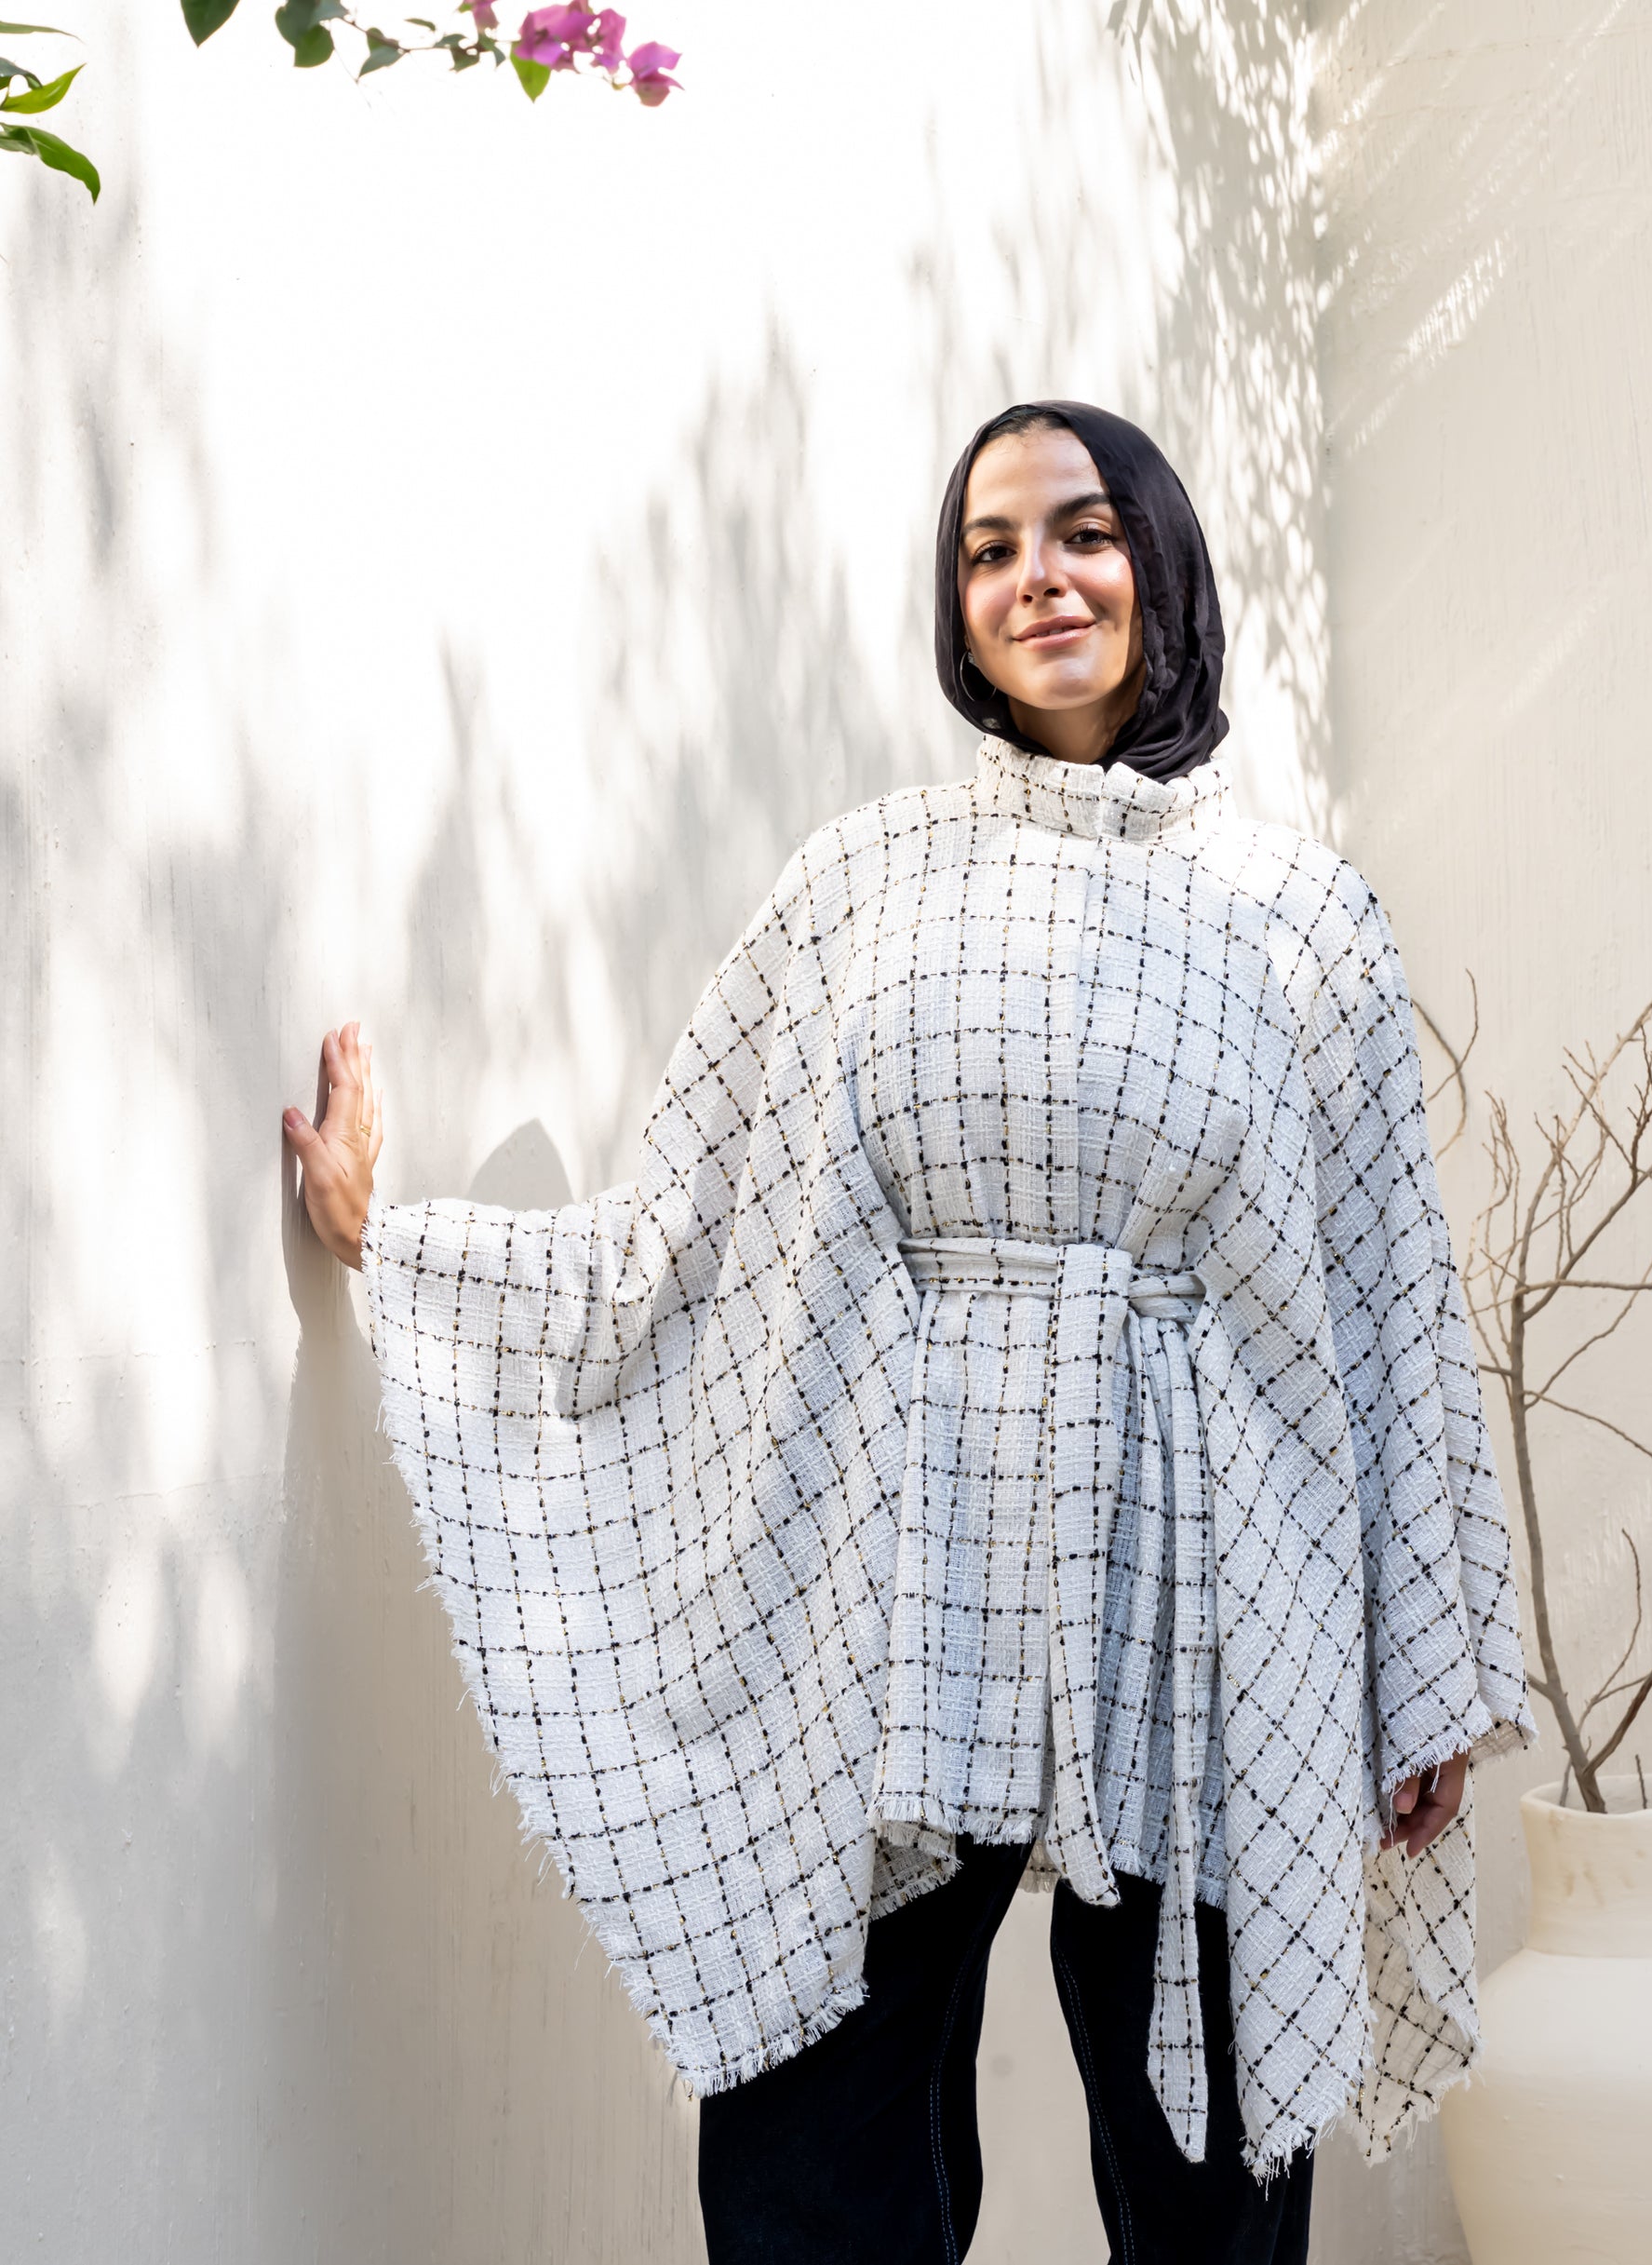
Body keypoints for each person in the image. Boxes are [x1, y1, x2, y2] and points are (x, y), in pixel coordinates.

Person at [285, 402, 1534, 2265]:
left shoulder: (1300, 917)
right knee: (813, 2128)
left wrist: (1417, 1668)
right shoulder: (861, 883)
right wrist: (398, 1242)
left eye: (1082, 532)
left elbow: (1384, 1300)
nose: (1038, 577)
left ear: (1158, 561)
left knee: (1209, 2160)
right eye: (988, 548)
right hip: (901, 1556)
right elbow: (686, 1227)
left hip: (1208, 1576)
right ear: (958, 608)